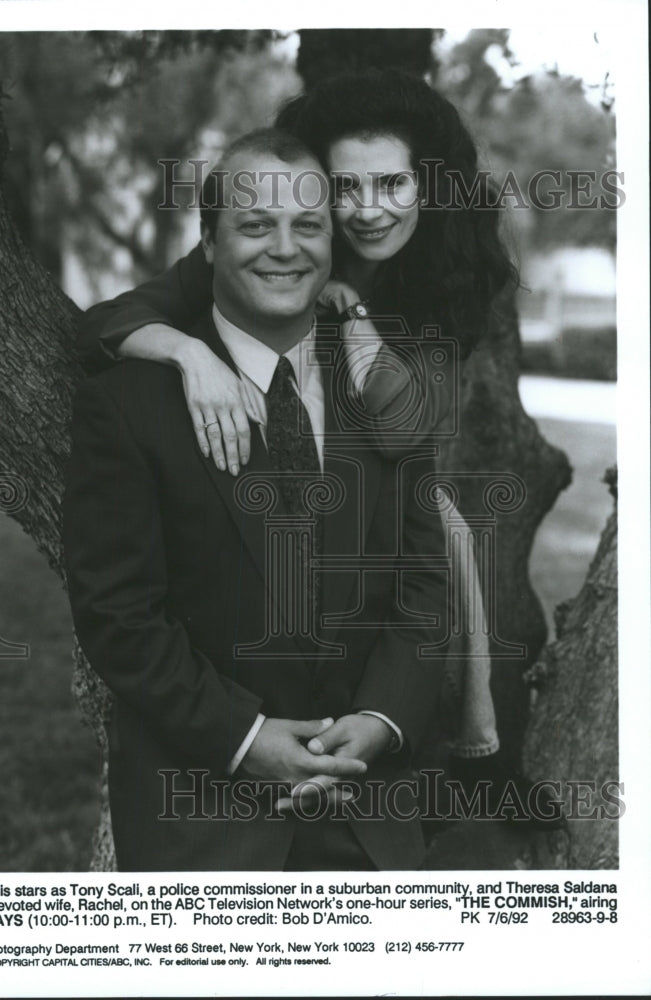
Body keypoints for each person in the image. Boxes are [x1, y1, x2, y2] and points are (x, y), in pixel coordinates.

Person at [77, 68, 516, 776]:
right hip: (232, 449)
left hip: (378, 467)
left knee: (442, 550)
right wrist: (191, 354)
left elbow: (407, 429)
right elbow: (107, 320)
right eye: (344, 188)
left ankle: (464, 751)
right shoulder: (283, 238)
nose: (367, 210)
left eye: (391, 185)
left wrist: (358, 331)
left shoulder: (452, 270)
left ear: (427, 185)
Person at [63, 129, 449, 871]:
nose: (284, 247)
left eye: (307, 225)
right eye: (253, 225)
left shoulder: (384, 388)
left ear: (333, 241)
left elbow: (424, 587)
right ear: (207, 243)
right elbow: (119, 614)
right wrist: (245, 739)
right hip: (205, 816)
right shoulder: (127, 405)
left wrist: (379, 719)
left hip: (371, 809)